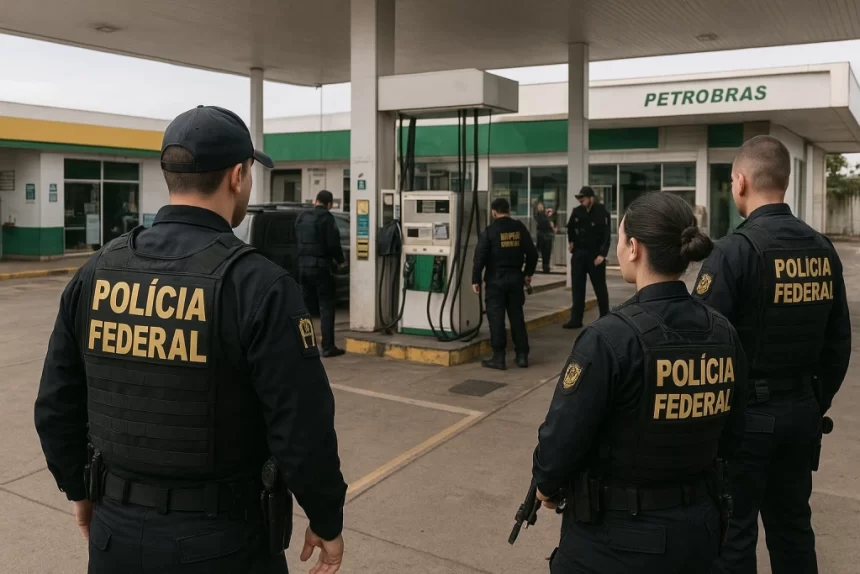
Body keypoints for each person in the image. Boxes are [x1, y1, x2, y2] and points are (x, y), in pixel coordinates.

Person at [34, 105, 348, 574]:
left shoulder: (97, 272)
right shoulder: (259, 285)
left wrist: (79, 490)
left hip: (114, 534)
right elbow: (302, 428)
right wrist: (325, 516)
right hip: (224, 541)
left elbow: (56, 405)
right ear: (238, 176)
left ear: (169, 175)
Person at [533, 191, 748, 573]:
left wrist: (547, 486)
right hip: (698, 532)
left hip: (615, 543)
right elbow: (733, 432)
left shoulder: (610, 337)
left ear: (633, 247)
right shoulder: (723, 332)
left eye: (620, 239)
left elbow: (562, 436)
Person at [694, 136, 852, 574]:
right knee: (793, 529)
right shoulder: (822, 248)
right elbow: (839, 342)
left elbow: (702, 345)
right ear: (785, 181)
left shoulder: (733, 252)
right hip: (802, 413)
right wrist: (814, 399)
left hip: (746, 421)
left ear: (741, 182)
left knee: (734, 534)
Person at [472, 197, 538, 370]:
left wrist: (476, 280)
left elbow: (479, 257)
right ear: (509, 210)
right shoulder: (519, 228)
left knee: (496, 319)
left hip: (495, 281)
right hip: (516, 279)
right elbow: (532, 253)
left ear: (494, 212)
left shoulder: (489, 231)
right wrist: (527, 273)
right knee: (517, 317)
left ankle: (499, 357)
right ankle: (522, 356)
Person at [295, 190, 347, 358]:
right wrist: (340, 261)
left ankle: (301, 345)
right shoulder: (326, 218)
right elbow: (333, 243)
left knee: (303, 309)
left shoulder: (302, 216)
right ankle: (327, 346)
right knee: (326, 307)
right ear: (329, 204)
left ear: (315, 200)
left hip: (303, 267)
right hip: (321, 267)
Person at [563, 186, 611, 330]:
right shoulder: (577, 212)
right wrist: (571, 242)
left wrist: (603, 254)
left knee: (600, 287)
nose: (580, 201)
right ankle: (576, 319)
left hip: (595, 255)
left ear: (591, 198)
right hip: (579, 254)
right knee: (577, 288)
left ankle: (605, 317)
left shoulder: (602, 212)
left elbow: (607, 235)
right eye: (579, 199)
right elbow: (570, 228)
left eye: (582, 198)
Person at [533, 201, 557, 273]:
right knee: (541, 252)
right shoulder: (538, 215)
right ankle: (543, 267)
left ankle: (546, 267)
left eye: (542, 206)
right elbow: (543, 223)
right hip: (542, 236)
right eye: (539, 206)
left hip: (547, 236)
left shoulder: (546, 215)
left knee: (546, 253)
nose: (541, 207)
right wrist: (550, 224)